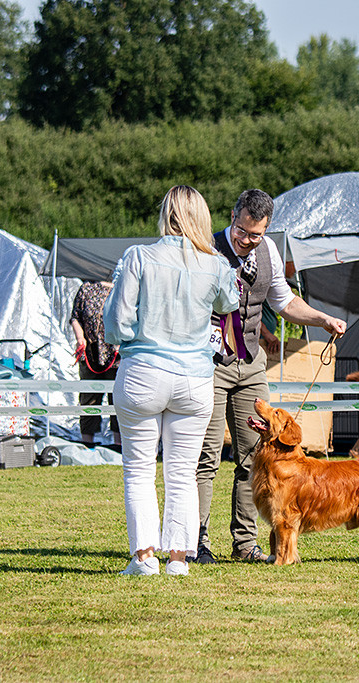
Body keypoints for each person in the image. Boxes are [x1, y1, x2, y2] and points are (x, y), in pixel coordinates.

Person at [192, 189, 346, 564]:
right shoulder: (206, 250)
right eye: (241, 230)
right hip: (209, 364)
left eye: (255, 234)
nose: (247, 240)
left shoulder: (268, 252)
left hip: (251, 363)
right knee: (207, 457)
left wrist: (322, 318)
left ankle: (245, 543)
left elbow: (285, 302)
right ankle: (195, 543)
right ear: (233, 216)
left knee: (256, 456)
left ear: (267, 229)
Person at [103, 185, 240, 577]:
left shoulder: (139, 257)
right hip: (195, 379)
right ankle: (179, 558)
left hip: (144, 371)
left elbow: (117, 322)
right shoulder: (214, 265)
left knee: (140, 470)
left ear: (166, 214)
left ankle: (144, 557)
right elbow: (229, 303)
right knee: (183, 472)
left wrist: (128, 339)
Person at [70, 280, 120, 446]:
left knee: (118, 400)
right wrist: (80, 339)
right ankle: (88, 444)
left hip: (117, 355)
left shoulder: (124, 287)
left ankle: (118, 445)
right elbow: (75, 317)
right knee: (89, 399)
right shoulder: (86, 288)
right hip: (90, 352)